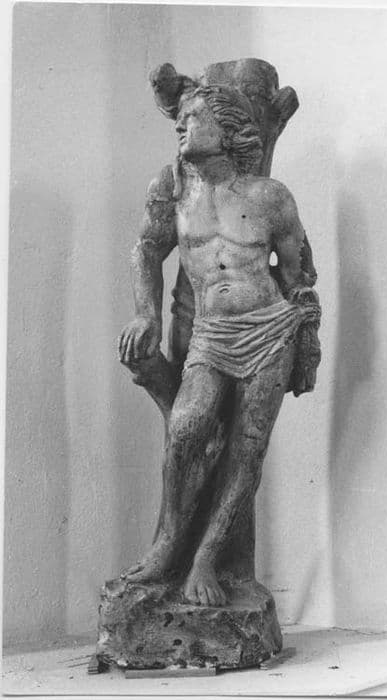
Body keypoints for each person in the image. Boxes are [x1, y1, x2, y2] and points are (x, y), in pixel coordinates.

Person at [118, 84, 320, 606]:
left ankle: (206, 559)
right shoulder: (173, 188)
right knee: (186, 426)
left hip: (270, 330)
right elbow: (145, 251)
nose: (180, 125)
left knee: (247, 449)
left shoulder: (270, 197)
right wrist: (146, 314)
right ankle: (169, 544)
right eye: (180, 117)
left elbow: (298, 276)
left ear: (228, 129)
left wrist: (307, 342)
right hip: (210, 334)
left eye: (193, 116)